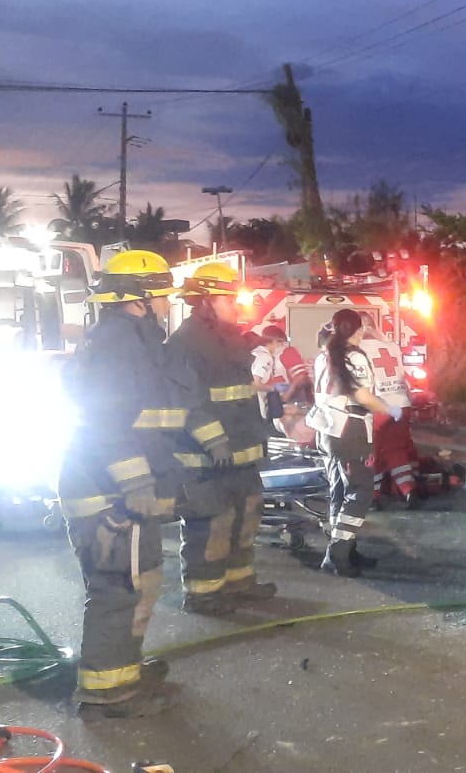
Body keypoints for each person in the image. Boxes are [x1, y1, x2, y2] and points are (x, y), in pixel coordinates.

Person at [56, 250, 215, 717]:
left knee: (139, 582)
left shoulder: (132, 342)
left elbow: (153, 416)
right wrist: (138, 483)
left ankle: (124, 670)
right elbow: (107, 423)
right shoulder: (118, 345)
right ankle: (107, 692)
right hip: (109, 496)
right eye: (161, 296)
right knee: (118, 589)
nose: (168, 304)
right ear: (138, 300)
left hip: (116, 490)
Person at [165, 261, 277, 613]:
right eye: (229, 300)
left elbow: (238, 395)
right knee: (213, 523)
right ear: (205, 301)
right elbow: (189, 402)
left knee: (247, 516)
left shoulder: (231, 339)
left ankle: (238, 582)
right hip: (206, 457)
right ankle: (203, 593)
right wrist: (215, 441)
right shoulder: (185, 343)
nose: (236, 306)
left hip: (241, 453)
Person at [307, 308, 395, 577]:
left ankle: (346, 549)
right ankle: (339, 553)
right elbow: (363, 396)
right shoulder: (354, 356)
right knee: (359, 491)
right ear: (357, 331)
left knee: (339, 491)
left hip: (328, 429)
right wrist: (391, 409)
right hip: (350, 430)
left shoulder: (326, 355)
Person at [359, 323, 422, 508]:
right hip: (402, 404)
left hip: (379, 406)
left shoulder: (359, 348)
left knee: (371, 451)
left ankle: (373, 496)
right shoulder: (392, 346)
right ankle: (408, 490)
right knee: (397, 450)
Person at [250, 324, 311, 430]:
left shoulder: (257, 354)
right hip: (274, 402)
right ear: (274, 341)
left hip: (280, 403)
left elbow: (300, 377)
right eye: (282, 341)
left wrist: (286, 395)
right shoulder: (266, 355)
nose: (283, 344)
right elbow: (300, 377)